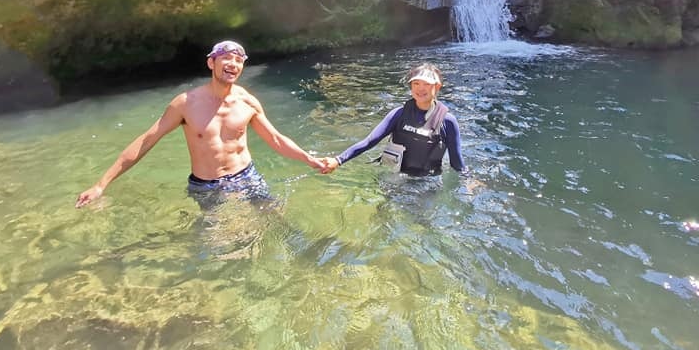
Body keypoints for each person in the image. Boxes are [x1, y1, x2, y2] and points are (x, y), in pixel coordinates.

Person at [76, 40, 326, 207]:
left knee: (274, 218)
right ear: (211, 63)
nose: (233, 64)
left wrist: (309, 159)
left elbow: (276, 139)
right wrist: (101, 185)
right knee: (220, 250)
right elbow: (146, 140)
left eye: (239, 61)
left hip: (248, 176)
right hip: (207, 186)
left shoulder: (247, 101)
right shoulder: (185, 104)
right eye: (226, 58)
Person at [320, 63, 465, 177]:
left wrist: (467, 181)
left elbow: (457, 164)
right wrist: (338, 161)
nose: (421, 89)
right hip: (396, 176)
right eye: (416, 84)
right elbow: (369, 142)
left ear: (437, 86)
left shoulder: (447, 121)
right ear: (411, 86)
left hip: (427, 182)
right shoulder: (398, 114)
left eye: (427, 84)